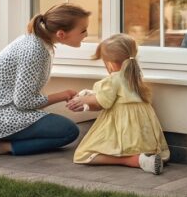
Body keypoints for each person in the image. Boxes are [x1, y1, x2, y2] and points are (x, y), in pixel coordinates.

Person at [0, 3, 89, 156]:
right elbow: (23, 102)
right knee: (68, 132)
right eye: (83, 30)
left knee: (62, 127)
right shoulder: (34, 50)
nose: (87, 34)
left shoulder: (40, 43)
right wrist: (63, 95)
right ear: (61, 34)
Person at [67, 34, 170, 174]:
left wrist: (84, 101)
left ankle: (131, 160)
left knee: (83, 154)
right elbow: (116, 97)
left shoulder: (112, 80)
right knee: (144, 150)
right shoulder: (135, 77)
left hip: (122, 129)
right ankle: (146, 159)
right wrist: (91, 95)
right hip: (143, 135)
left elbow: (103, 102)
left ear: (109, 63)